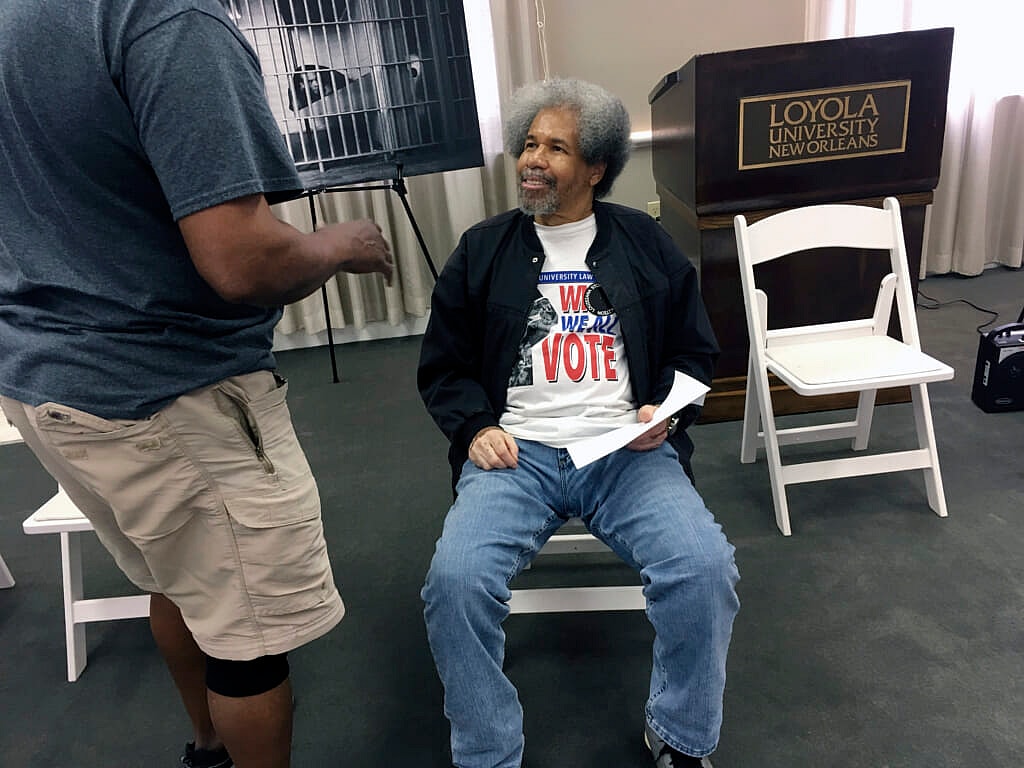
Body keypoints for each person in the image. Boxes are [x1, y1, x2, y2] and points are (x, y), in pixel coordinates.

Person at [0, 3, 393, 767]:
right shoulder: (165, 18)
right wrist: (338, 243)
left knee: (180, 582)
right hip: (162, 392)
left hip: (46, 382)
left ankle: (209, 751)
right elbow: (243, 263)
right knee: (248, 642)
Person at [417, 78, 740, 768]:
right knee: (455, 582)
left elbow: (694, 353)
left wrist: (667, 409)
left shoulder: (644, 243)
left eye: (556, 147)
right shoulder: (482, 251)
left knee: (704, 568)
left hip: (625, 451)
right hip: (516, 454)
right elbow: (444, 366)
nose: (533, 158)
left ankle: (681, 735)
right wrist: (474, 426)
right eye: (529, 143)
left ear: (596, 168)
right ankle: (487, 751)